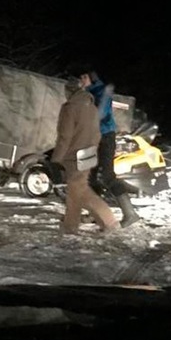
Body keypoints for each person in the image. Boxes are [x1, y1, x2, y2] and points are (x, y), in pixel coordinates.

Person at [50, 78, 121, 235]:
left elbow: (65, 136)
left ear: (69, 90)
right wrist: (92, 148)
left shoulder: (70, 108)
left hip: (73, 155)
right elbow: (97, 133)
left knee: (80, 190)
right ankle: (71, 226)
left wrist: (56, 159)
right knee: (76, 190)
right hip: (89, 153)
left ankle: (110, 222)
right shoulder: (92, 108)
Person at [79, 66, 142, 228]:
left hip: (105, 137)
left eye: (84, 77)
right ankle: (95, 213)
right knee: (91, 176)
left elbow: (100, 114)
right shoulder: (91, 93)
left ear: (91, 78)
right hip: (96, 138)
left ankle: (130, 214)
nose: (81, 81)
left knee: (107, 176)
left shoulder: (101, 92)